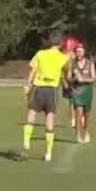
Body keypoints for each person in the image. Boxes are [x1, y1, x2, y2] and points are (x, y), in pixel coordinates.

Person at [22, 32, 70, 162]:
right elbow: (67, 73)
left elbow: (32, 71)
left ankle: (26, 142)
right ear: (60, 44)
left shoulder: (40, 54)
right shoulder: (63, 57)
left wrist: (27, 86)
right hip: (52, 90)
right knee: (50, 118)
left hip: (38, 87)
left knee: (31, 115)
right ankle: (48, 153)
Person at [68, 43, 96, 144]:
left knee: (87, 114)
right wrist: (74, 79)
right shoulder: (72, 63)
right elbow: (68, 78)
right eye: (77, 51)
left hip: (87, 90)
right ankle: (78, 135)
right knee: (78, 113)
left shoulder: (90, 63)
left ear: (84, 52)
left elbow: (94, 78)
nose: (79, 53)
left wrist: (84, 79)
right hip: (76, 91)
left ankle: (87, 132)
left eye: (81, 51)